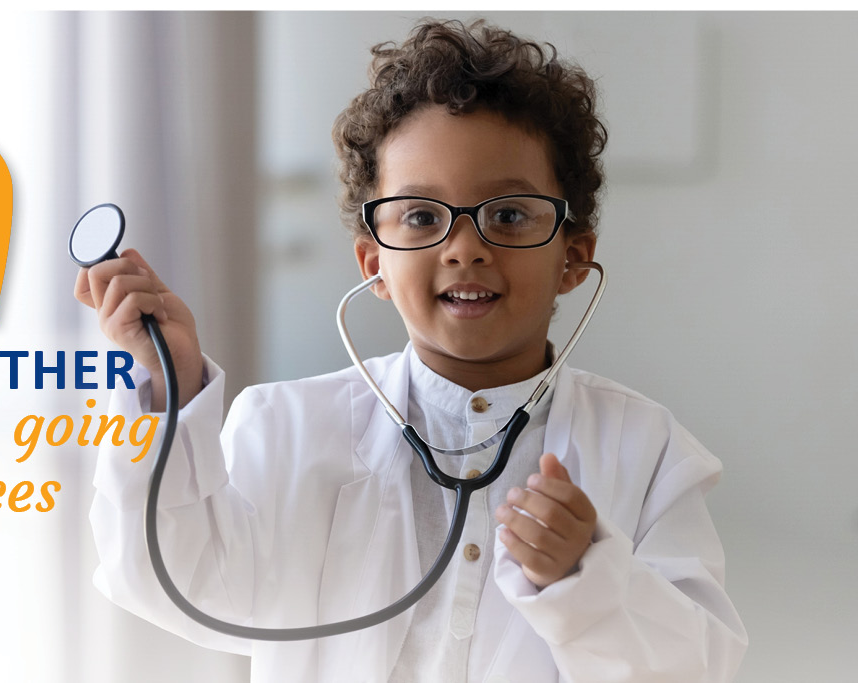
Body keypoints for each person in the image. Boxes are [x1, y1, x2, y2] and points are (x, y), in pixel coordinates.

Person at [75, 19, 748, 683]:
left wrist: (586, 577)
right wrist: (171, 386)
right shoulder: (290, 427)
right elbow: (171, 580)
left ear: (572, 258)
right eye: (422, 217)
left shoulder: (647, 451)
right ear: (373, 264)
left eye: (509, 215)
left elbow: (699, 666)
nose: (464, 247)